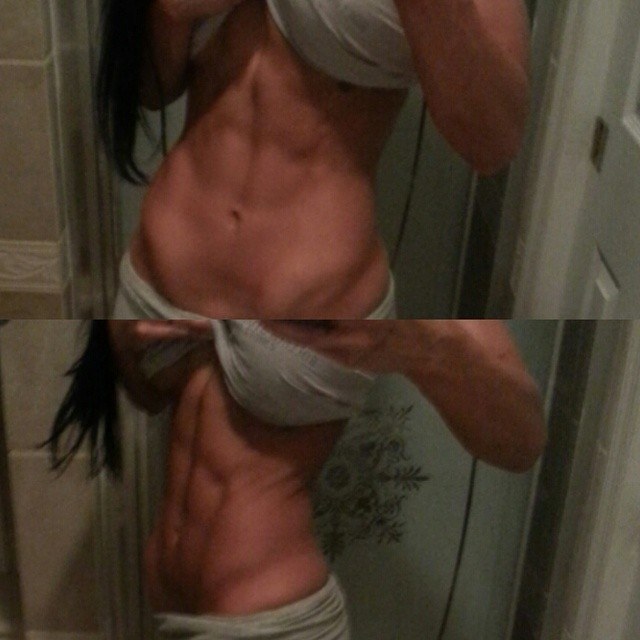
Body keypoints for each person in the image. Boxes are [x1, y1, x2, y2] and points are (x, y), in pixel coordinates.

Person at [48, 319, 546, 639]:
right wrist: (126, 341)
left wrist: (421, 344)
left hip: (268, 620)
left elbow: (521, 441)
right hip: (172, 610)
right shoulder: (205, 237)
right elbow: (152, 398)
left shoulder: (359, 266)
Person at [100, 0, 531, 320]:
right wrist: (171, 14)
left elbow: (492, 141)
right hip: (155, 285)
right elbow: (149, 91)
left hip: (308, 318)